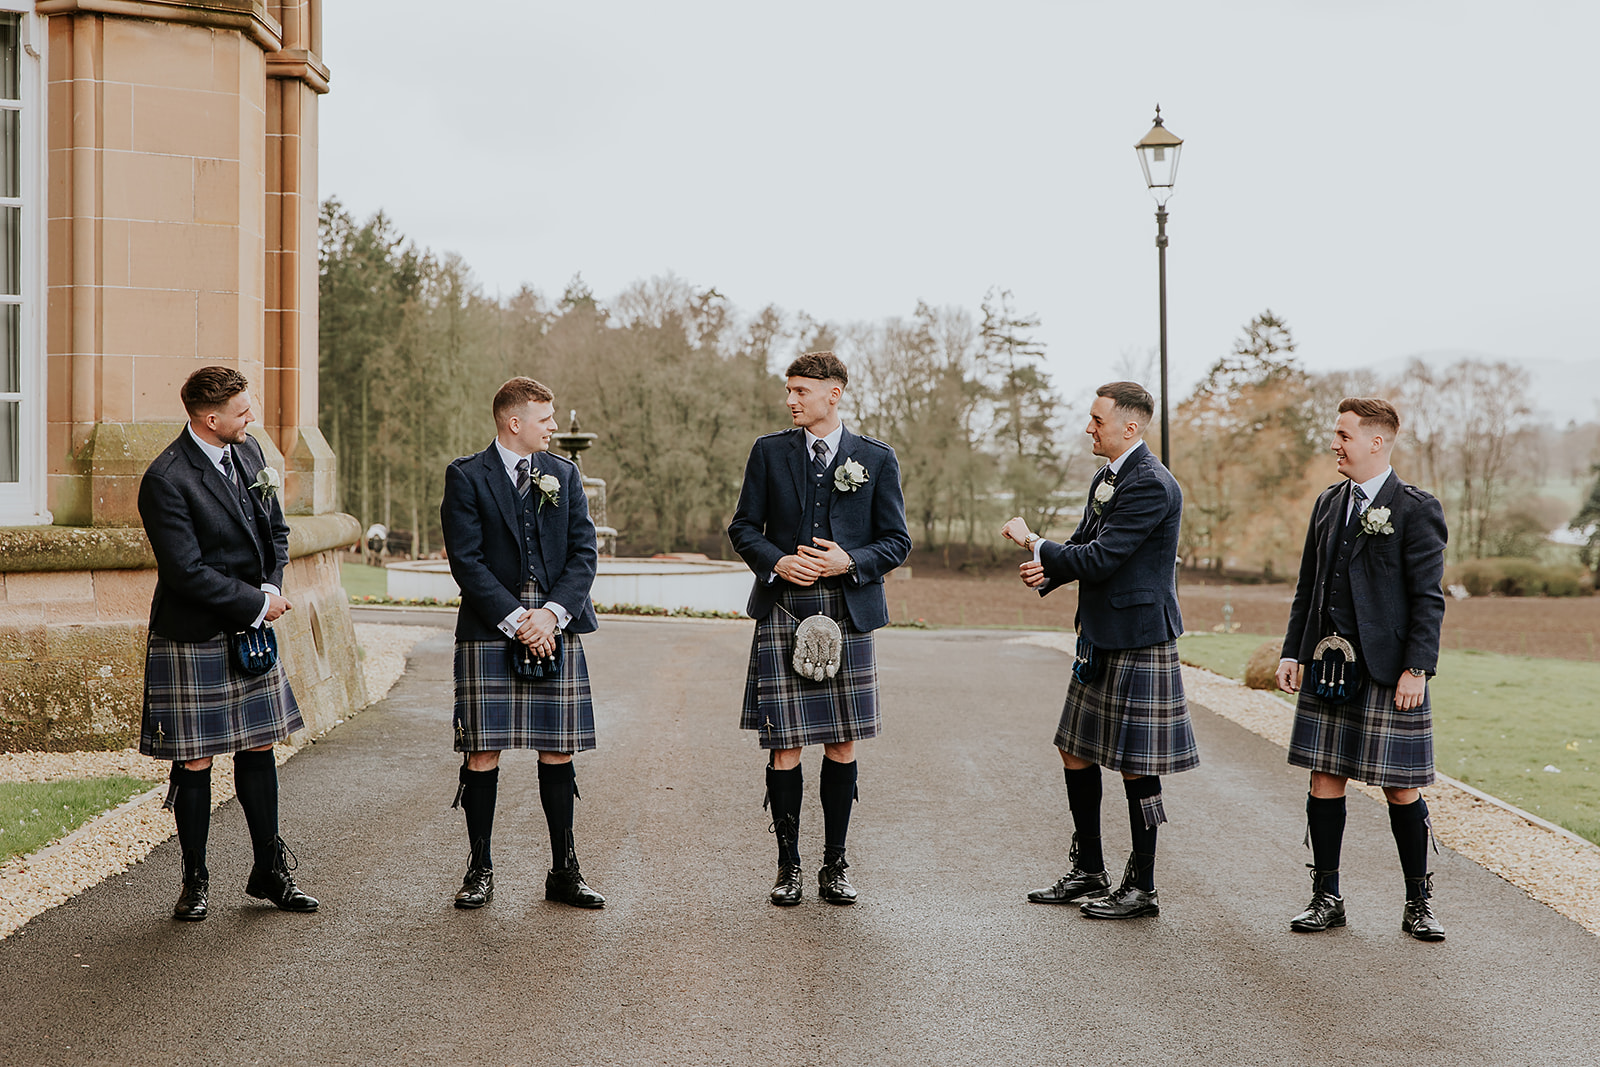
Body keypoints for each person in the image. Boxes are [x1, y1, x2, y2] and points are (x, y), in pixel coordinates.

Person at [1001, 381, 1197, 920]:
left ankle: (1143, 886)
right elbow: (1086, 545)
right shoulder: (1106, 478)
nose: (1089, 427)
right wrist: (1050, 573)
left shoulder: (1152, 484)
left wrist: (1033, 541)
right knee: (1075, 748)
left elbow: (1104, 558)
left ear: (1128, 427)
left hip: (1139, 637)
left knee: (1138, 764)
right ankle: (1089, 867)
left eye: (1096, 419)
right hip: (1099, 631)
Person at [729, 351, 911, 906]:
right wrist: (777, 561)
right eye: (788, 390)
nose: (791, 401)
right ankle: (788, 868)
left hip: (848, 607)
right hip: (785, 607)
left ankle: (835, 864)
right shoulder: (769, 452)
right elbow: (742, 528)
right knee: (783, 743)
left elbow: (897, 541)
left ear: (834, 393)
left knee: (841, 739)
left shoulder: (875, 458)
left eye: (801, 391)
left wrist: (849, 561)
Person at [138, 366, 318, 922]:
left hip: (250, 627)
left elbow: (277, 533)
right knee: (195, 759)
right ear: (209, 419)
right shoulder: (166, 478)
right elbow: (186, 571)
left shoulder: (251, 453)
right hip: (194, 634)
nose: (253, 419)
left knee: (259, 746)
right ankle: (194, 880)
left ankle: (268, 870)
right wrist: (257, 604)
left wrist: (271, 584)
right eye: (243, 412)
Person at [1275, 397, 1448, 941]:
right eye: (1336, 434)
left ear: (1377, 441)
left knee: (1401, 786)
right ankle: (1327, 897)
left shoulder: (1416, 508)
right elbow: (1309, 587)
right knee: (1325, 777)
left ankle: (1418, 902)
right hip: (1328, 665)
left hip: (1386, 670)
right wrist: (1291, 651)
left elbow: (1428, 597)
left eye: (1344, 435)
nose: (1335, 444)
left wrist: (1416, 669)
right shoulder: (1329, 503)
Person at [440, 376, 604, 910]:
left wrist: (553, 616)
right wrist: (517, 619)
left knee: (557, 748)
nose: (554, 427)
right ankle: (480, 869)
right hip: (492, 626)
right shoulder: (466, 476)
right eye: (545, 418)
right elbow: (467, 561)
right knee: (482, 748)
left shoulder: (565, 474)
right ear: (515, 422)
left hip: (554, 621)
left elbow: (584, 554)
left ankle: (564, 869)